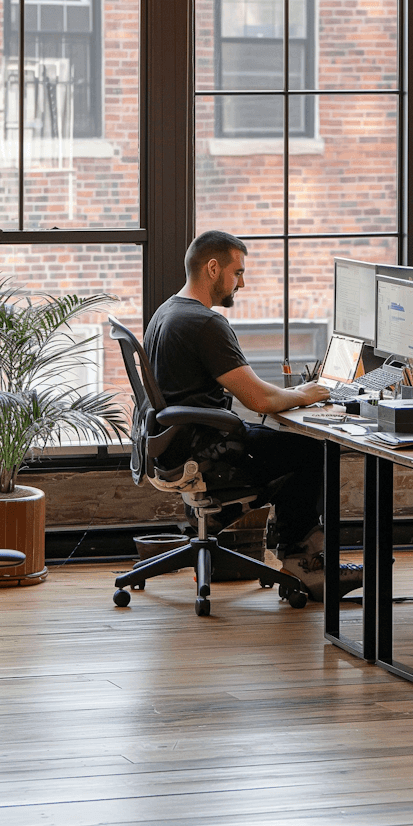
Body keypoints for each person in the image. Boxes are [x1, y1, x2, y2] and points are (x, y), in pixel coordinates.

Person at [144, 229, 362, 603]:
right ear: (213, 268)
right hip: (208, 452)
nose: (241, 282)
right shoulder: (205, 324)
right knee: (311, 451)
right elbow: (259, 399)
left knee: (287, 446)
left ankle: (294, 551)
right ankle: (305, 565)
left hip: (176, 448)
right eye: (238, 272)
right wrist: (305, 393)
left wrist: (290, 396)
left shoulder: (167, 311)